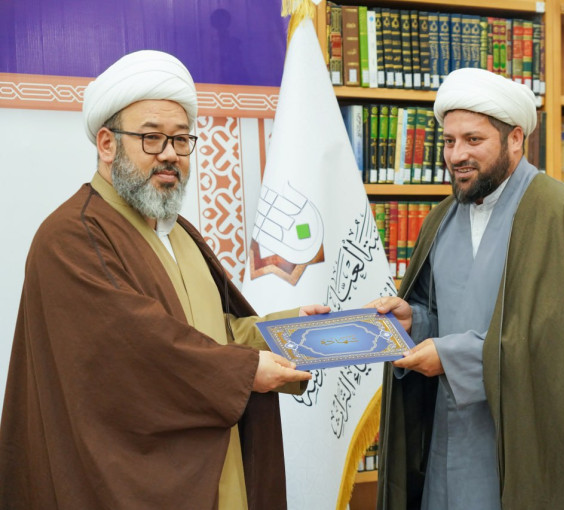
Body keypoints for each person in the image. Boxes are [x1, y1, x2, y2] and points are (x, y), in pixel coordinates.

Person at [0, 50, 328, 510]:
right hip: (130, 482)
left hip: (217, 464)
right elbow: (137, 350)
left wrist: (290, 332)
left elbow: (211, 335)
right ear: (107, 144)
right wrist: (244, 372)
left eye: (180, 139)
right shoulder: (72, 236)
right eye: (151, 138)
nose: (170, 154)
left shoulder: (179, 234)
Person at [372, 67, 564, 509]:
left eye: (473, 140)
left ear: (515, 139)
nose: (457, 155)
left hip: (526, 441)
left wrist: (452, 357)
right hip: (449, 435)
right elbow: (445, 315)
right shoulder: (442, 219)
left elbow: (558, 344)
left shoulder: (555, 213)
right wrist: (415, 322)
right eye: (449, 141)